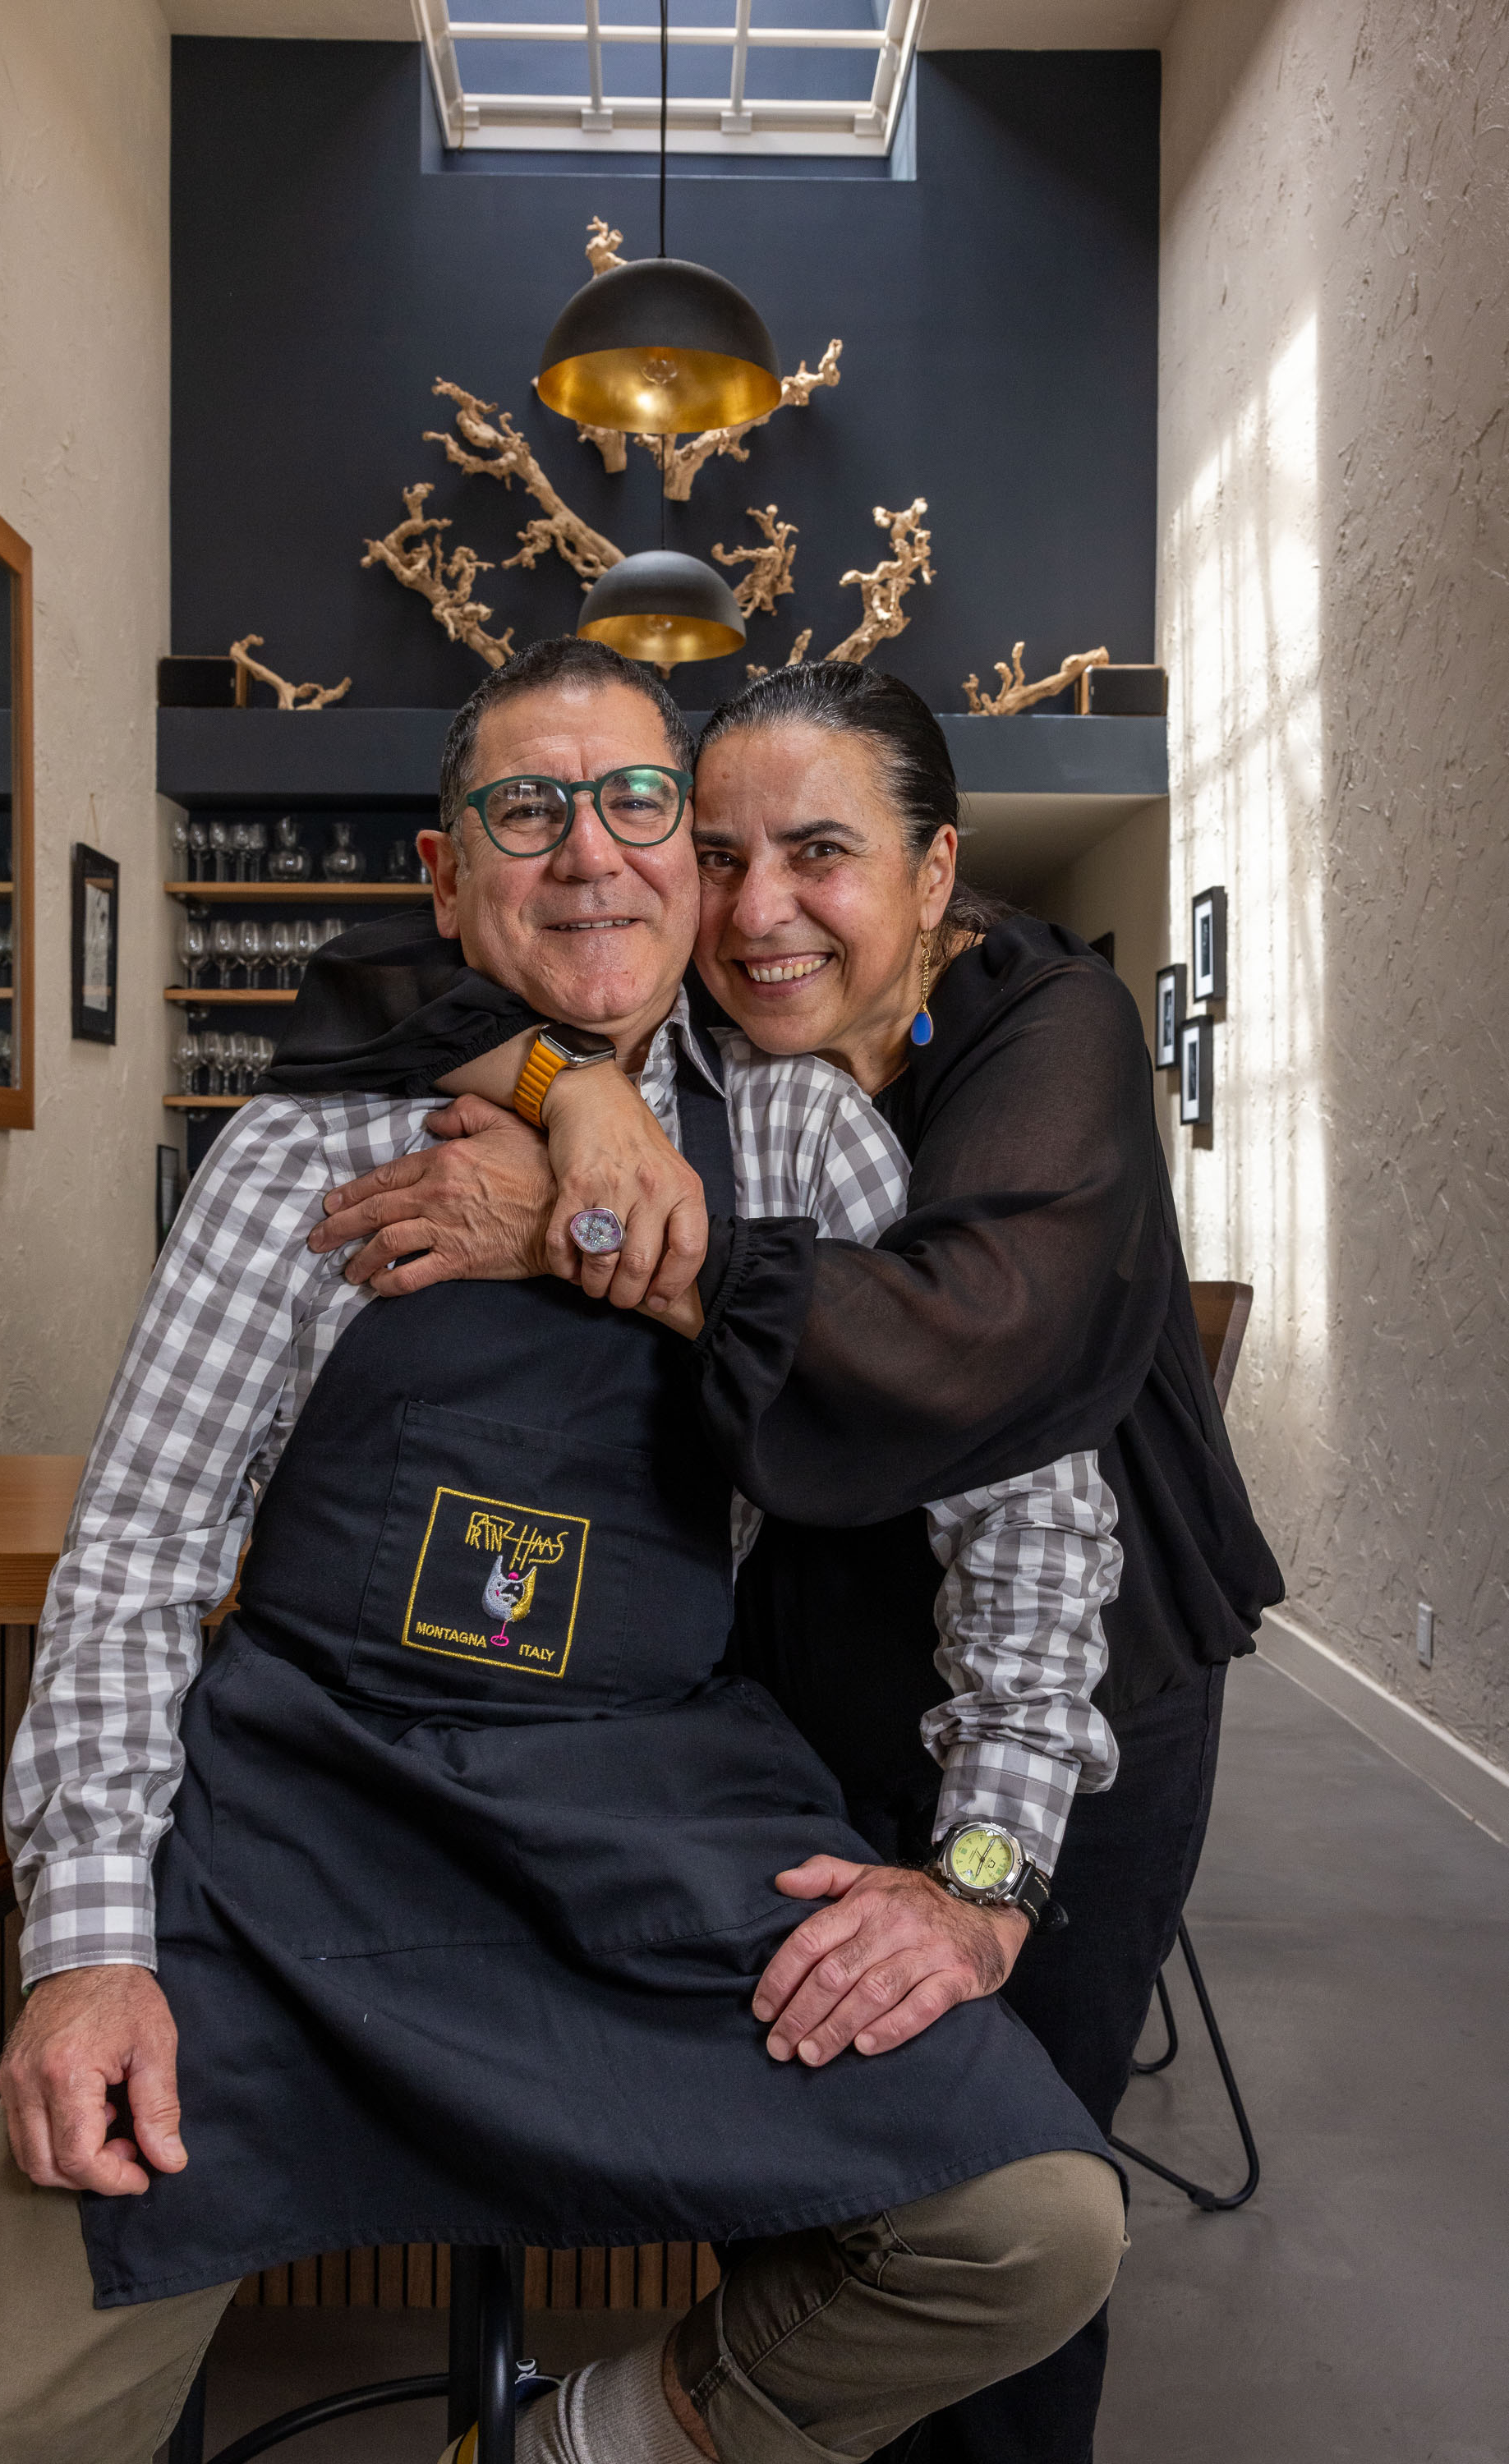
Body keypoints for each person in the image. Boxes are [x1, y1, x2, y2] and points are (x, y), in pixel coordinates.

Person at [0, 641, 1125, 2464]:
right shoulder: (302, 1153)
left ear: (685, 856)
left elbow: (1023, 1508)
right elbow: (143, 1552)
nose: (589, 852)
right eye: (525, 808)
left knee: (1028, 2228)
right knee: (0, 2437)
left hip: (640, 1820)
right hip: (291, 1835)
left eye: (639, 802)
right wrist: (85, 1948)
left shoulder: (796, 1130)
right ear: (445, 872)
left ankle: (585, 2445)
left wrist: (978, 1864)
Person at [304, 659, 1286, 2464]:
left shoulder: (1044, 1028)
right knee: (831, 2189)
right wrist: (571, 1091)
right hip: (794, 1681)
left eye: (820, 853)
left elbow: (962, 1351)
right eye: (725, 852)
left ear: (937, 879)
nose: (756, 914)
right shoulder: (696, 1027)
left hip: (1078, 1676)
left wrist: (579, 1229)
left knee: (1003, 2184)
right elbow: (365, 985)